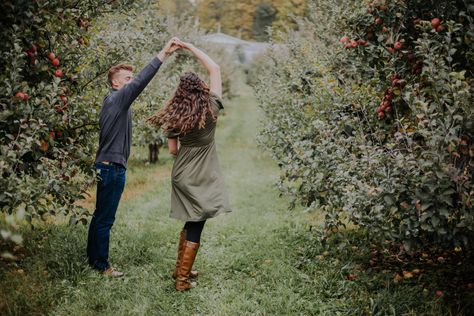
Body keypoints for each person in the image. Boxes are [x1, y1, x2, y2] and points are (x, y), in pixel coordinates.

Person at [86, 37, 181, 277]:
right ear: (116, 84)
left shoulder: (114, 102)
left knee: (100, 216)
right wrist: (163, 54)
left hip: (107, 166)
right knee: (105, 219)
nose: (131, 82)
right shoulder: (117, 99)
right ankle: (101, 265)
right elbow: (141, 82)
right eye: (127, 79)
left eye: (131, 77)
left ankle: (94, 258)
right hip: (111, 169)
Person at [147, 39, 231, 291]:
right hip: (202, 172)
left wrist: (187, 151)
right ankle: (182, 280)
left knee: (192, 218)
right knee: (198, 221)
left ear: (180, 93)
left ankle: (180, 270)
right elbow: (215, 68)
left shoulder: (176, 115)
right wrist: (190, 47)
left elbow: (173, 150)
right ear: (202, 88)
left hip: (182, 172)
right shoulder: (212, 106)